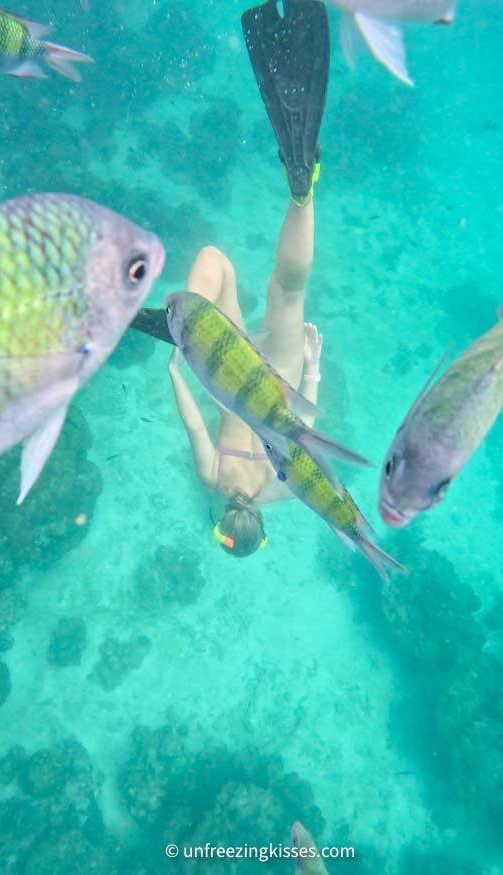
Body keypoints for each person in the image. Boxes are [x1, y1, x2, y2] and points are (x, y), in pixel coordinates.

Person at [167, 0, 331, 557]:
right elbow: (192, 421)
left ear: (261, 528)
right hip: (226, 369)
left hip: (279, 379)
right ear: (225, 522)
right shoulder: (211, 477)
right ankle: (184, 316)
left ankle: (302, 191)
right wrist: (178, 359)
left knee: (287, 290)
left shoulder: (287, 495)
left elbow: (304, 430)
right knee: (214, 261)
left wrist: (312, 369)